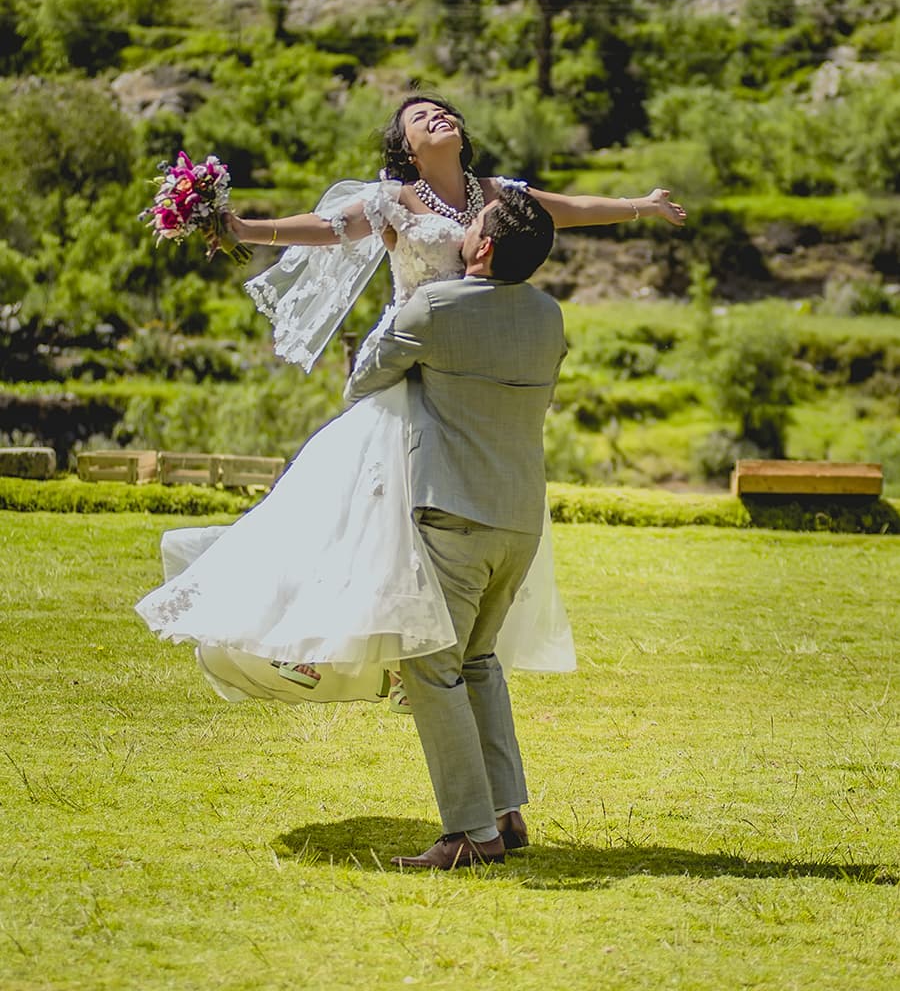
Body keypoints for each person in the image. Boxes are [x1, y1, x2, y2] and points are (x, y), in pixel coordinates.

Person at [135, 94, 686, 707]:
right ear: (408, 148)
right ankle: (319, 643)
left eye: (442, 112)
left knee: (453, 516)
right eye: (420, 119)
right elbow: (324, 231)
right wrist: (243, 229)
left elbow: (565, 211)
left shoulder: (493, 193)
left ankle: (416, 657)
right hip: (408, 366)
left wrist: (642, 206)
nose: (436, 119)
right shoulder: (393, 201)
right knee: (368, 509)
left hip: (471, 375)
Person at [344, 187, 565, 868]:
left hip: (455, 513)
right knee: (477, 660)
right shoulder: (549, 316)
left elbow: (362, 381)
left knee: (432, 667)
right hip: (520, 517)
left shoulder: (435, 308)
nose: (464, 226)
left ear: (486, 247)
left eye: (474, 223)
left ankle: (469, 833)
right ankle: (506, 812)